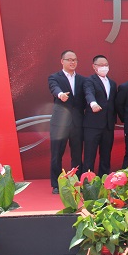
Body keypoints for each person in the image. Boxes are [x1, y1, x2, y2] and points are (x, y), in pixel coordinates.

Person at [48, 50, 85, 194]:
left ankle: (76, 182)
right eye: (69, 59)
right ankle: (57, 184)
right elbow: (54, 88)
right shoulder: (54, 77)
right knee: (57, 154)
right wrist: (60, 95)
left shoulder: (82, 79)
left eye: (74, 60)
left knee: (77, 154)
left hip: (77, 122)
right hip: (60, 123)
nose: (72, 62)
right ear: (62, 61)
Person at [83, 55, 117, 177]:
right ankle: (87, 182)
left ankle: (104, 180)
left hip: (108, 125)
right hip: (93, 125)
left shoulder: (112, 83)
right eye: (101, 65)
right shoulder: (89, 81)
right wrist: (93, 103)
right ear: (94, 66)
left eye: (106, 65)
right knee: (89, 155)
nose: (104, 67)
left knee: (106, 155)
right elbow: (89, 93)